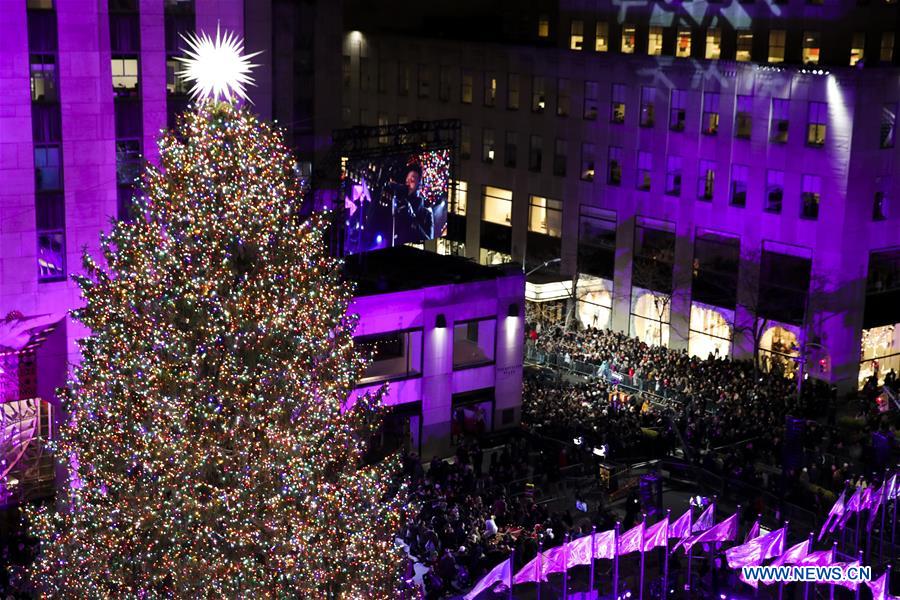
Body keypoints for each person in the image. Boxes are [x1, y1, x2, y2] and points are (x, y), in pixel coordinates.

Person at [393, 164, 434, 242]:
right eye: (407, 181)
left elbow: (428, 241)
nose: (408, 184)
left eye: (412, 181)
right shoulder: (399, 205)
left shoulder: (427, 213)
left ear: (419, 185)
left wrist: (411, 218)